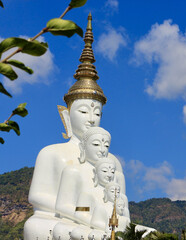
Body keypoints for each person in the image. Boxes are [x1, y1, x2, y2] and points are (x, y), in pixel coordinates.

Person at [24, 14, 125, 240]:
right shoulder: (51, 154)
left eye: (97, 113)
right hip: (65, 220)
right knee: (37, 225)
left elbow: (119, 204)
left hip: (106, 224)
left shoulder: (112, 163)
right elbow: (37, 198)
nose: (91, 119)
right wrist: (84, 214)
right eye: (83, 111)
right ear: (67, 114)